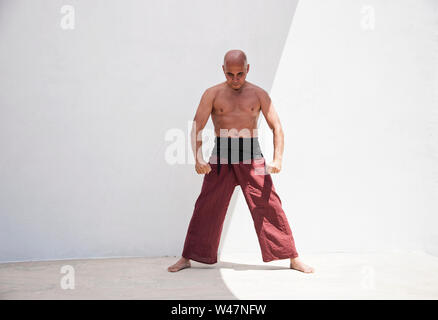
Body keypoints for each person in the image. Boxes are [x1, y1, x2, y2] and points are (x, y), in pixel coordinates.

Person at [168, 49, 314, 273]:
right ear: (223, 71)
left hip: (251, 155)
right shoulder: (212, 94)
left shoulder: (259, 94)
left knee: (270, 205)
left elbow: (277, 128)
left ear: (248, 69)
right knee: (206, 207)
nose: (235, 79)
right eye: (230, 74)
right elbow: (197, 126)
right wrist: (198, 158)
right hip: (221, 158)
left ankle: (292, 257)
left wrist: (277, 158)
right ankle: (187, 257)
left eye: (240, 74)